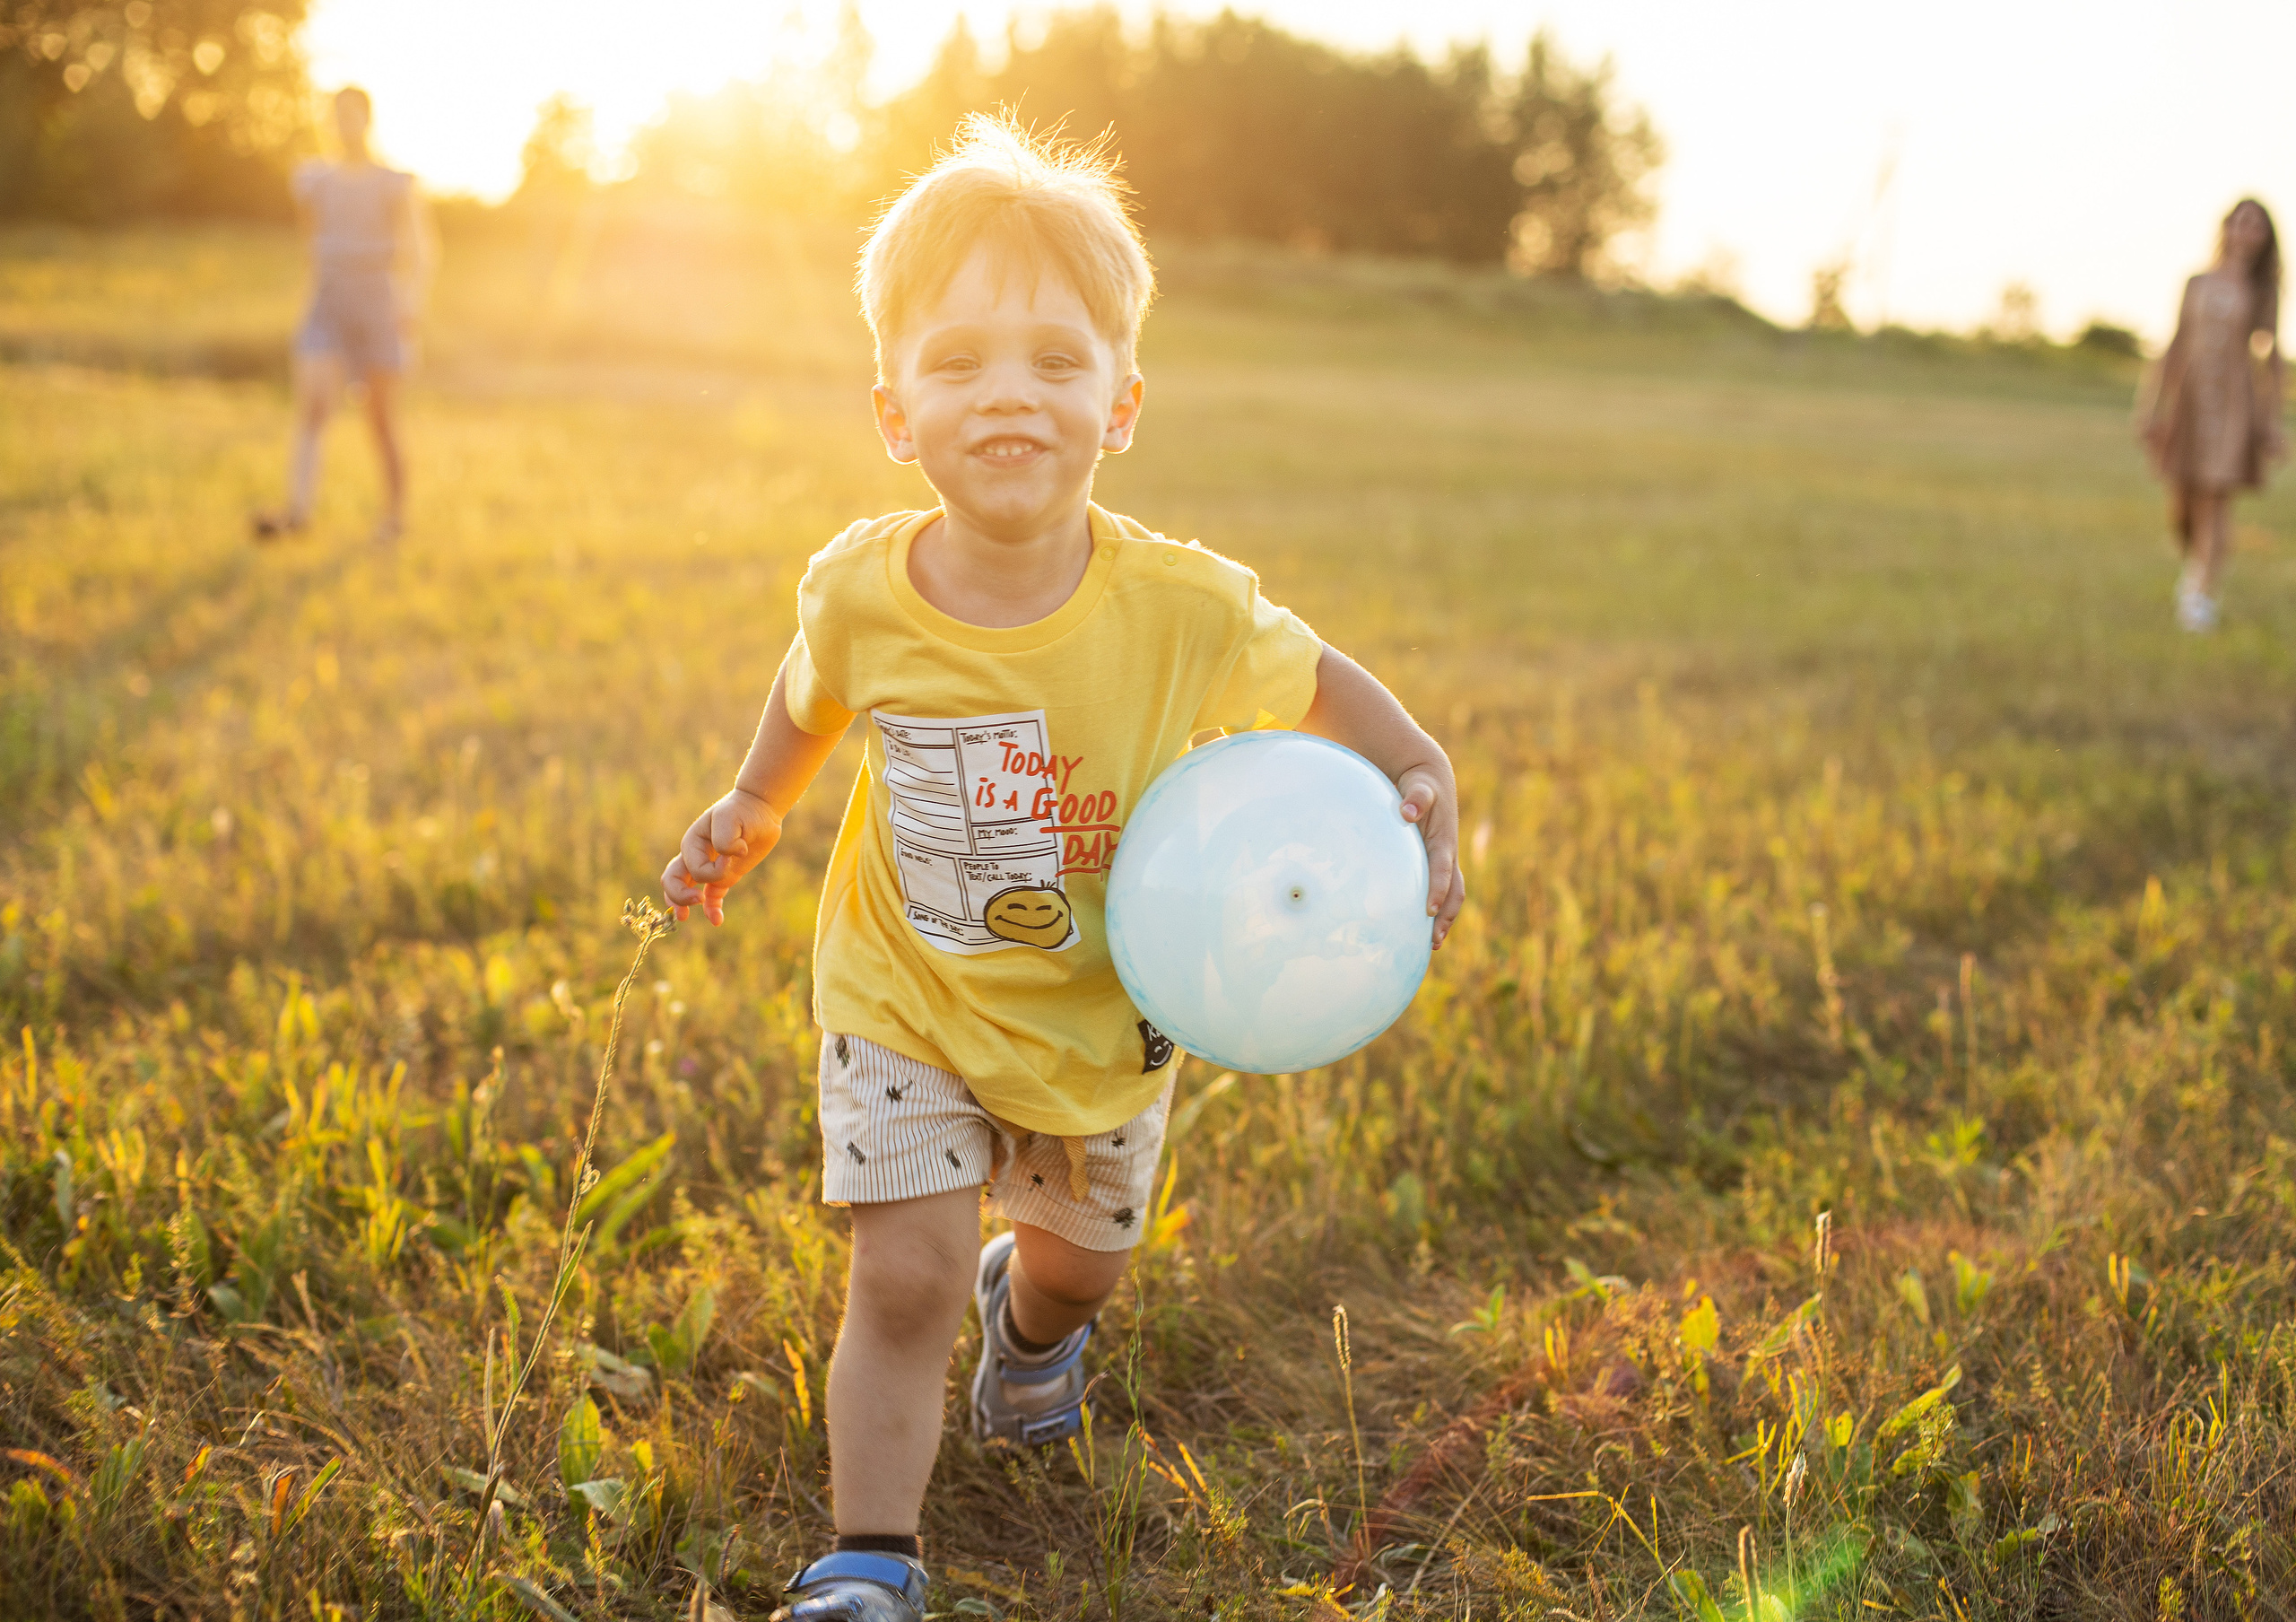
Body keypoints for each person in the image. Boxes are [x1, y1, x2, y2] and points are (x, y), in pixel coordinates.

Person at [657, 116, 1465, 1621]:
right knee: (901, 1275)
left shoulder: (1179, 604)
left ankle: (1031, 1336)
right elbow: (810, 686)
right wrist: (756, 798)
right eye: (956, 362)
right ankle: (868, 1561)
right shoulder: (861, 587)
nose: (1006, 392)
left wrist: (1424, 770)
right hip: (904, 984)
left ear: (1124, 399)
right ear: (895, 408)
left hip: (1108, 1001)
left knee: (1077, 1261)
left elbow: (1324, 682)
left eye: (1052, 358)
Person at [252, 86, 434, 546]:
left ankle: (394, 518)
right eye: (337, 116)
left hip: (378, 303)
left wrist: (410, 305)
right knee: (313, 405)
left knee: (381, 418)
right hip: (328, 301)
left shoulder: (395, 182)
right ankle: (297, 512)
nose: (344, 124)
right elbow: (309, 242)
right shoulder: (314, 179)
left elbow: (422, 250)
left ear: (367, 120)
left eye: (352, 115)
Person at [2139, 196, 2286, 632]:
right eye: (2240, 222)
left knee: (2216, 497)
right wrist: (2150, 408)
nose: (2246, 231)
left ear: (2265, 237)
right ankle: (2194, 566)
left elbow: (2271, 357)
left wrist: (2272, 421)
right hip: (2191, 399)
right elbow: (2175, 344)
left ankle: (2202, 594)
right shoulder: (2196, 283)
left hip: (2235, 403)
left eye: (2256, 225)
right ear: (2226, 227)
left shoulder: (2264, 292)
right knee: (2184, 501)